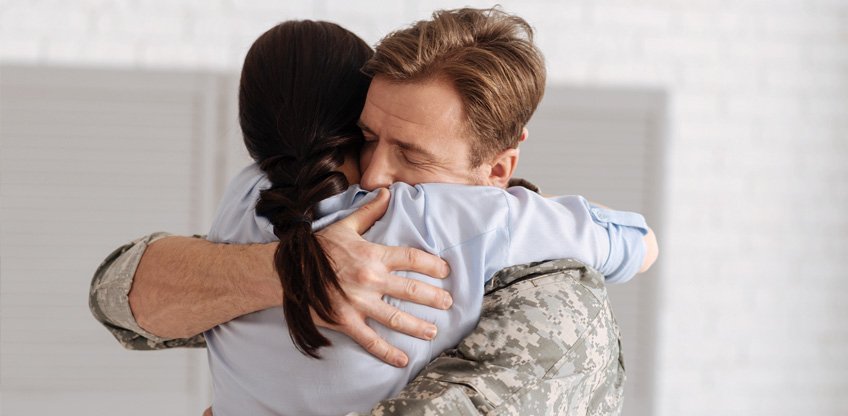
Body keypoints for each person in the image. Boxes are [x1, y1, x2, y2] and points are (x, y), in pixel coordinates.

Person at [90, 7, 658, 415]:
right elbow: (117, 296)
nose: (376, 173)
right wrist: (288, 270)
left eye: (411, 154)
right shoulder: (318, 216)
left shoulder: (554, 301)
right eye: (364, 137)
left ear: (498, 173)